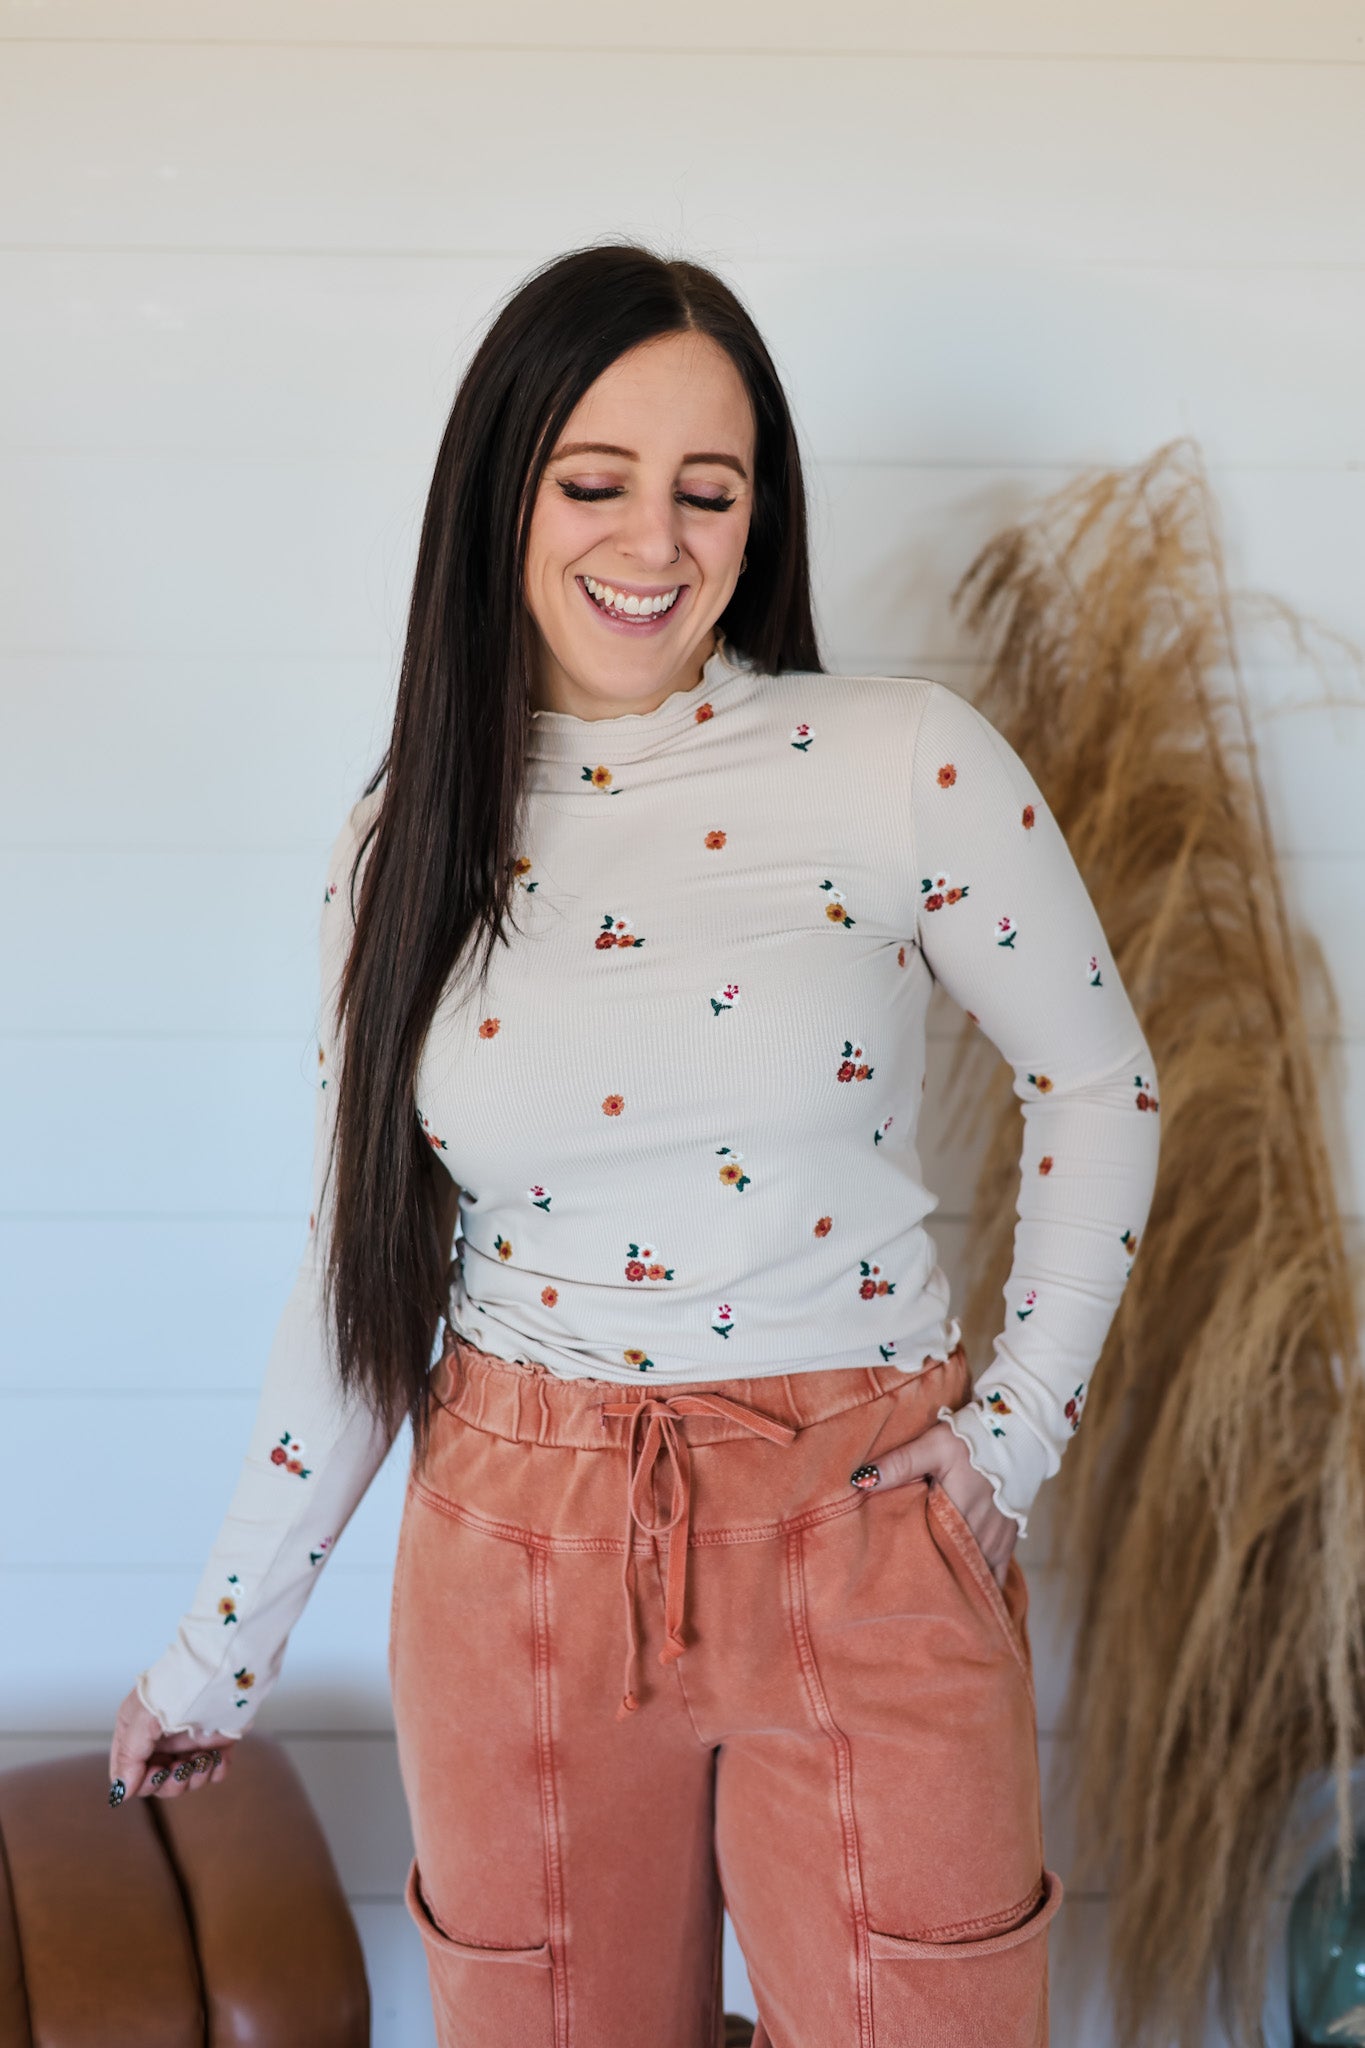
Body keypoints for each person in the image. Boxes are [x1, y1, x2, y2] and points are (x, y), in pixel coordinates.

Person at [108, 241, 1160, 2046]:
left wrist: (1014, 1437)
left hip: (861, 1526)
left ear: (760, 516)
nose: (652, 542)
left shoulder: (899, 761)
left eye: (707, 490)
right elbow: (359, 1270)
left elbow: (1100, 1083)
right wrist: (218, 1646)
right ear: (502, 493)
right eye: (593, 482)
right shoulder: (409, 834)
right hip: (517, 1544)